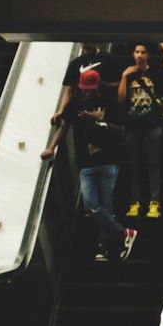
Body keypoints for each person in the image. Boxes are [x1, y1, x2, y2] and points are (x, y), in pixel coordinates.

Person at [42, 69, 136, 263]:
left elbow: (122, 131)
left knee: (106, 206)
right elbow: (64, 127)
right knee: (91, 204)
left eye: (90, 89)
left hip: (109, 160)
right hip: (86, 163)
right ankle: (124, 233)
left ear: (97, 86)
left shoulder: (109, 103)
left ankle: (102, 248)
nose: (87, 93)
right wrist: (51, 147)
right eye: (84, 89)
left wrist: (101, 121)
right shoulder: (75, 104)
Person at [118, 42, 163, 218]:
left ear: (148, 55)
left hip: (152, 124)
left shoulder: (156, 69)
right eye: (136, 52)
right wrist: (123, 76)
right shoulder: (128, 72)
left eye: (143, 52)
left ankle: (154, 202)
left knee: (153, 163)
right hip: (132, 126)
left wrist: (162, 41)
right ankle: (135, 202)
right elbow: (121, 99)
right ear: (133, 54)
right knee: (134, 165)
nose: (139, 55)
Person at [52, 42, 124, 126]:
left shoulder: (109, 59)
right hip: (80, 106)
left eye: (88, 45)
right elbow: (69, 90)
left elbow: (121, 83)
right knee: (67, 124)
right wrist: (60, 110)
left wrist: (102, 84)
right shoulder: (75, 63)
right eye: (83, 45)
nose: (85, 48)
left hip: (103, 106)